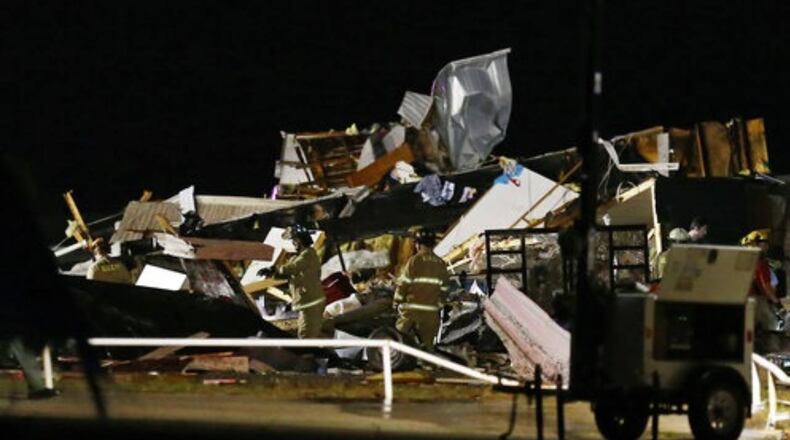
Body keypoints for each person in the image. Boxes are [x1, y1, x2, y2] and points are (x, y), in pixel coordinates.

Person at [258, 225, 324, 339]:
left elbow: (293, 267)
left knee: (306, 335)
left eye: (294, 240)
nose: (293, 243)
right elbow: (287, 273)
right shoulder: (298, 257)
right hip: (305, 302)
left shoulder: (309, 254)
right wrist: (272, 273)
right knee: (307, 333)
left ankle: (309, 354)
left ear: (300, 240)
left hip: (311, 302)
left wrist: (275, 269)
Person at [393, 230, 450, 351]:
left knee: (397, 346)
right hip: (430, 316)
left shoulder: (415, 261)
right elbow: (445, 290)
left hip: (411, 313)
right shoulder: (441, 263)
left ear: (418, 244)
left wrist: (396, 302)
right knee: (426, 350)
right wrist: (437, 305)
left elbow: (403, 284)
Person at [742, 229, 784, 352]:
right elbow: (765, 286)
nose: (767, 247)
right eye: (764, 243)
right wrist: (777, 304)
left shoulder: (747, 261)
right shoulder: (760, 263)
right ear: (756, 245)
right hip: (757, 301)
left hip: (747, 300)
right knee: (771, 327)